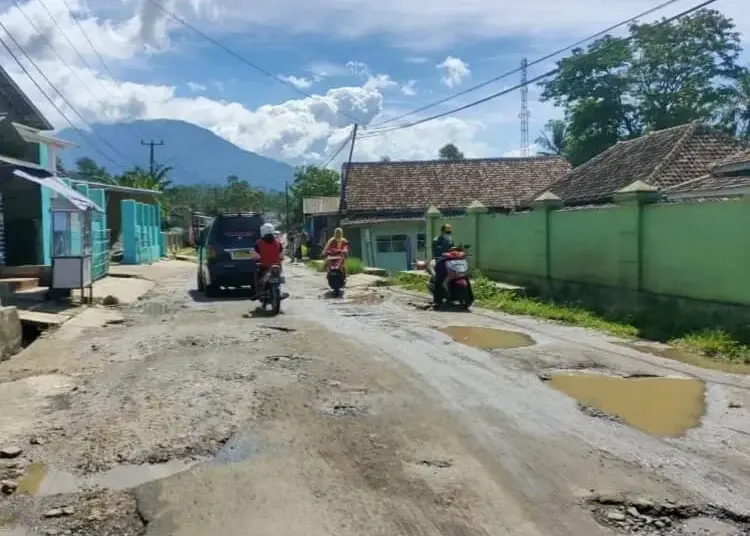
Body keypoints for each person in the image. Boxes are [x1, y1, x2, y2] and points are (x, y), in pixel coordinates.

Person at [253, 223, 283, 298]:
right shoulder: (278, 243)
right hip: (276, 266)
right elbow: (281, 255)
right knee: (279, 277)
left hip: (263, 266)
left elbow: (255, 256)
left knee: (258, 278)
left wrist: (256, 261)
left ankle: (259, 292)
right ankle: (279, 292)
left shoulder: (258, 243)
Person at [431, 223, 453, 305]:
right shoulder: (436, 240)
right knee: (439, 280)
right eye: (446, 232)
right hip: (441, 262)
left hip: (450, 262)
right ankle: (437, 300)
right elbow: (437, 252)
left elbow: (453, 249)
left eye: (449, 232)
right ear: (442, 231)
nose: (448, 234)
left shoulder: (450, 240)